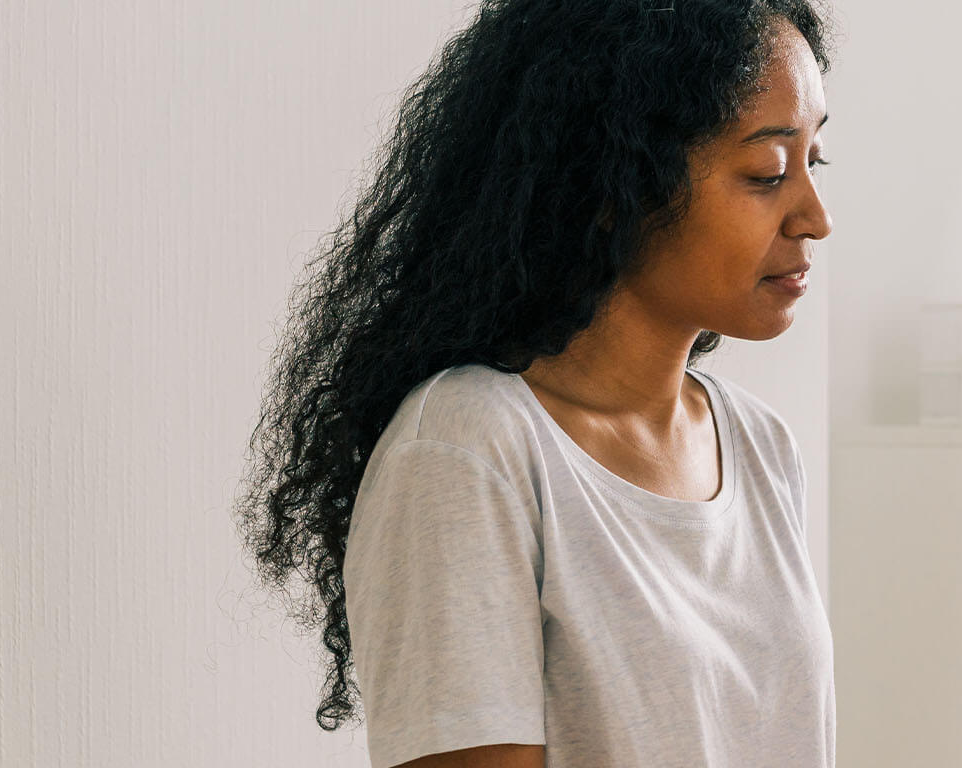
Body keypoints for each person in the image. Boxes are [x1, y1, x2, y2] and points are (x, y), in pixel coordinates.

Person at [236, 1, 836, 765]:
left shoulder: (761, 447)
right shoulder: (466, 452)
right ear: (616, 182)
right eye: (767, 173)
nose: (815, 217)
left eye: (815, 161)